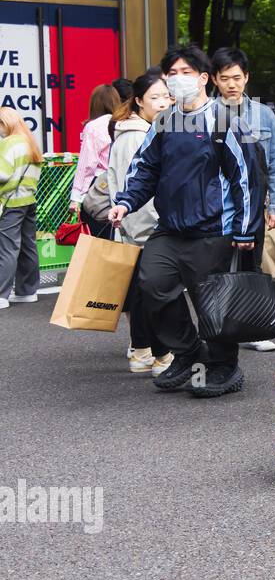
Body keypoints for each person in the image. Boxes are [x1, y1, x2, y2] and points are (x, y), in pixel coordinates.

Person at [106, 46, 263, 398]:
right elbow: (145, 168)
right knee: (152, 285)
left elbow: (246, 178)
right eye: (171, 74)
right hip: (170, 229)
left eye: (185, 72)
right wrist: (126, 202)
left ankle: (223, 366)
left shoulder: (225, 120)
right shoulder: (164, 122)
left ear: (204, 78)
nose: (177, 80)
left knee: (212, 303)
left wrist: (244, 228)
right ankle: (190, 354)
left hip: (213, 230)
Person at [211, 47, 275, 353]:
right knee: (216, 268)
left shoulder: (264, 115)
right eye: (225, 78)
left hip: (254, 205)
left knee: (250, 266)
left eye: (237, 77)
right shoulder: (206, 114)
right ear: (214, 79)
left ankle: (250, 328)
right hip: (217, 206)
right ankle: (217, 326)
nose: (231, 84)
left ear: (246, 78)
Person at [104, 69, 173, 372]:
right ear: (139, 101)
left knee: (144, 291)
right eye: (155, 97)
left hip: (136, 226)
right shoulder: (136, 136)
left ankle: (144, 351)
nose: (163, 102)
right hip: (143, 227)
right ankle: (152, 353)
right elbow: (137, 187)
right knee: (151, 292)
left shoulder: (141, 131)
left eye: (167, 96)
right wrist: (157, 225)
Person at [0, 106, 43, 309]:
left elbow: (3, 174)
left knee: (7, 248)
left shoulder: (9, 143)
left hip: (11, 201)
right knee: (27, 246)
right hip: (29, 199)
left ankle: (1, 294)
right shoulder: (29, 142)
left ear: (5, 123)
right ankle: (27, 290)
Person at [69, 83, 123, 239]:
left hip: (99, 186)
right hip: (121, 182)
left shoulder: (93, 127)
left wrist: (76, 197)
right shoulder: (123, 123)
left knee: (97, 236)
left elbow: (87, 165)